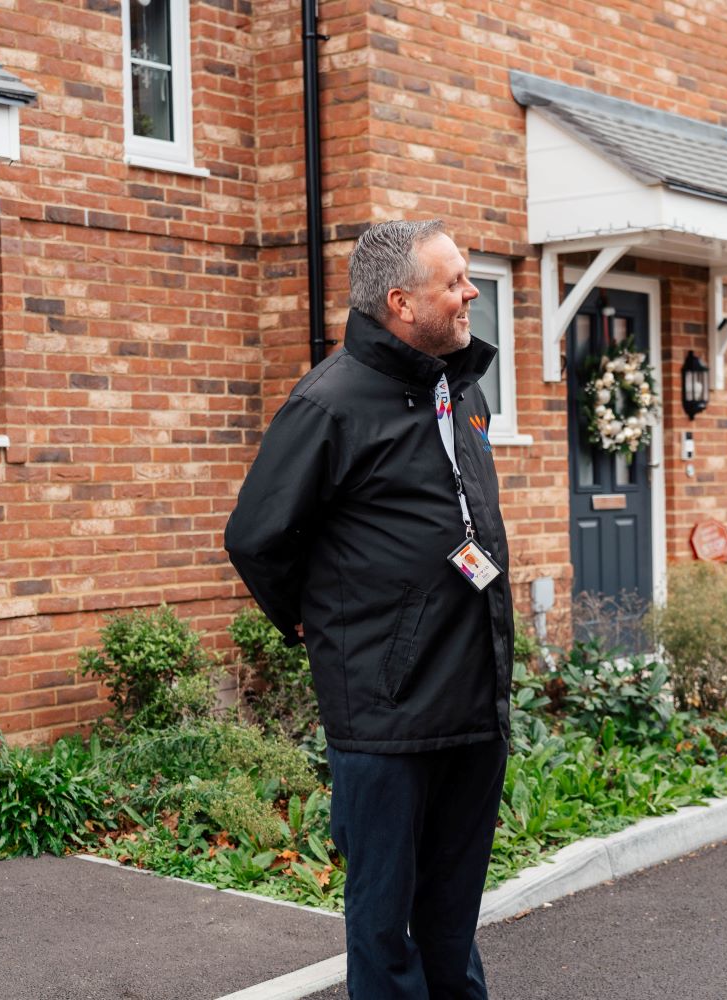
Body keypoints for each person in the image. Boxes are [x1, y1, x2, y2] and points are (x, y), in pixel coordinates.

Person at [224, 219, 513, 999]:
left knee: (452, 923)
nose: (470, 291)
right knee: (384, 931)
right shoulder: (331, 403)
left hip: (472, 696)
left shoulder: (459, 387)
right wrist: (312, 625)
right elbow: (256, 537)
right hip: (385, 712)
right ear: (400, 301)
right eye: (453, 281)